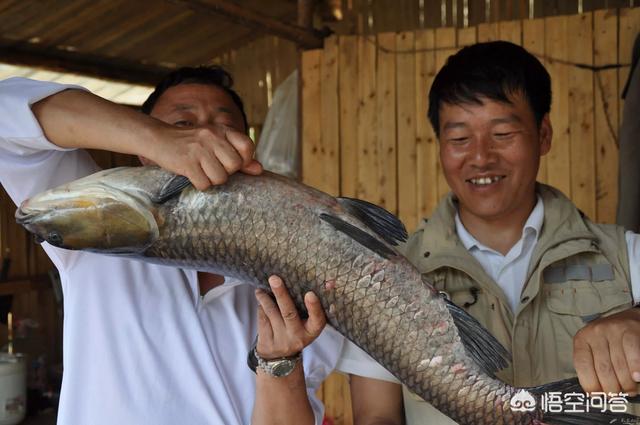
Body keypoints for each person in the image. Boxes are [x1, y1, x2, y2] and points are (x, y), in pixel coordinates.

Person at [0, 67, 390, 425]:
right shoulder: (98, 228)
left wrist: (279, 363)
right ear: (143, 147)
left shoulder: (303, 286)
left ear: (246, 150)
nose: (206, 137)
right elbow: (6, 112)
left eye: (225, 127)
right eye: (183, 124)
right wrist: (157, 137)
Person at [345, 40, 640, 424]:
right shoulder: (388, 278)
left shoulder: (626, 256)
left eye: (502, 133)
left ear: (544, 134)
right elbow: (376, 417)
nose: (481, 157)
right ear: (440, 147)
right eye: (459, 139)